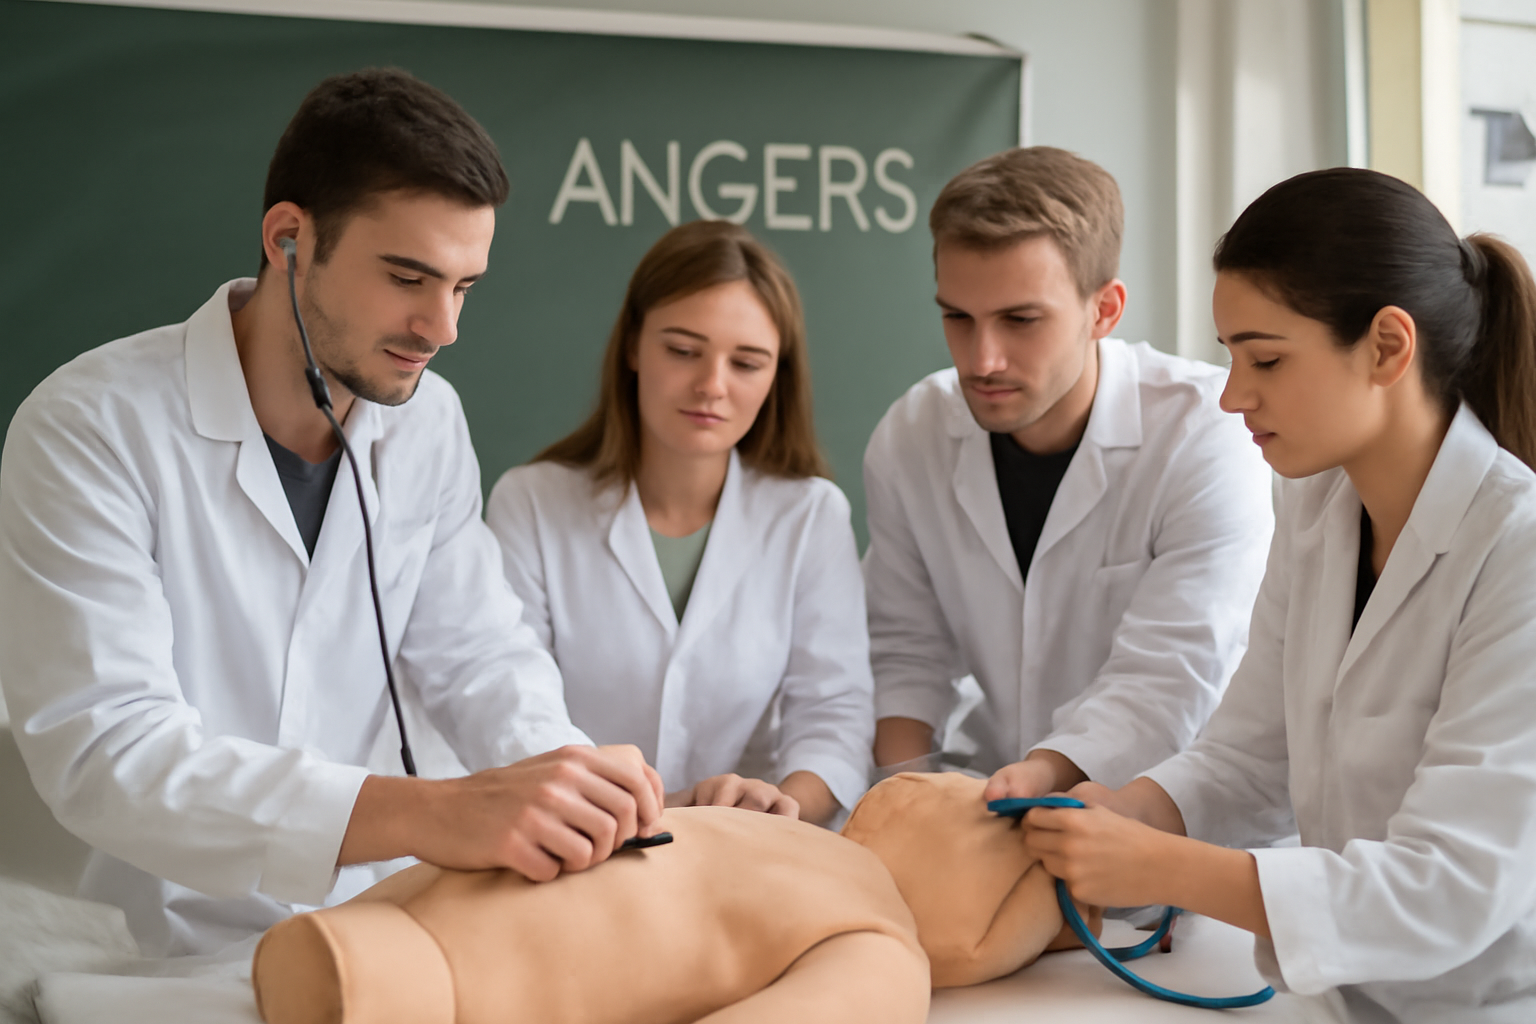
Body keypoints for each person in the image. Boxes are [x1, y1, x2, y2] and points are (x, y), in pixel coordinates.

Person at [0, 68, 663, 959]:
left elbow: (477, 655)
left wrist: (568, 780)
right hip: (164, 950)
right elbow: (112, 755)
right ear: (289, 239)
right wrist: (438, 812)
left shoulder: (428, 421)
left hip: (381, 928)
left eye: (464, 287)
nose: (442, 328)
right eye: (408, 277)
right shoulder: (90, 427)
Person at [1022, 168, 1536, 1022]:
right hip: (1342, 997)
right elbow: (1252, 755)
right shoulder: (1316, 504)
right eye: (1230, 356)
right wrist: (1128, 810)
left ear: (1387, 347)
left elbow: (1450, 885)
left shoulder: (1518, 546)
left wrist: (1156, 864)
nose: (1233, 396)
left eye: (1265, 358)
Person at [865, 146, 1273, 799]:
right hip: (991, 792)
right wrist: (904, 799)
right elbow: (906, 653)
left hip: (1159, 807)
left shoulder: (1205, 432)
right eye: (957, 317)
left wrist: (1031, 787)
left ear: (1104, 310)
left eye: (1020, 320)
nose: (982, 360)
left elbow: (1169, 675)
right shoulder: (913, 434)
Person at [485, 220, 873, 827]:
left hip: (746, 848)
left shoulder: (810, 515)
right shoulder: (531, 503)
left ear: (777, 376)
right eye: (684, 351)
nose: (712, 386)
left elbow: (834, 717)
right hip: (576, 842)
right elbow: (510, 708)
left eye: (747, 363)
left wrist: (779, 807)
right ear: (633, 347)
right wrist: (641, 810)